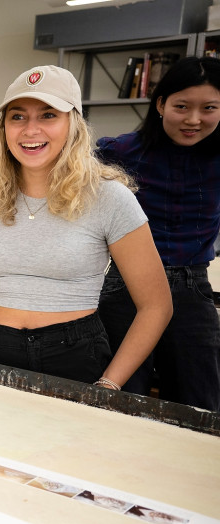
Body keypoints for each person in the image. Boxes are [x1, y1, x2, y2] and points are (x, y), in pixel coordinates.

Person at [0, 65, 172, 388]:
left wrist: (109, 384)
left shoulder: (109, 197)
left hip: (71, 355)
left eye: (48, 115)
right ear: (3, 128)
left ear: (73, 125)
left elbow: (156, 306)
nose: (31, 130)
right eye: (17, 117)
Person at [96, 56, 220, 411]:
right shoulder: (117, 151)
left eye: (209, 108)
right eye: (182, 106)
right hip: (124, 287)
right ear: (161, 104)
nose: (194, 119)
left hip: (192, 287)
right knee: (118, 398)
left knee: (198, 403)